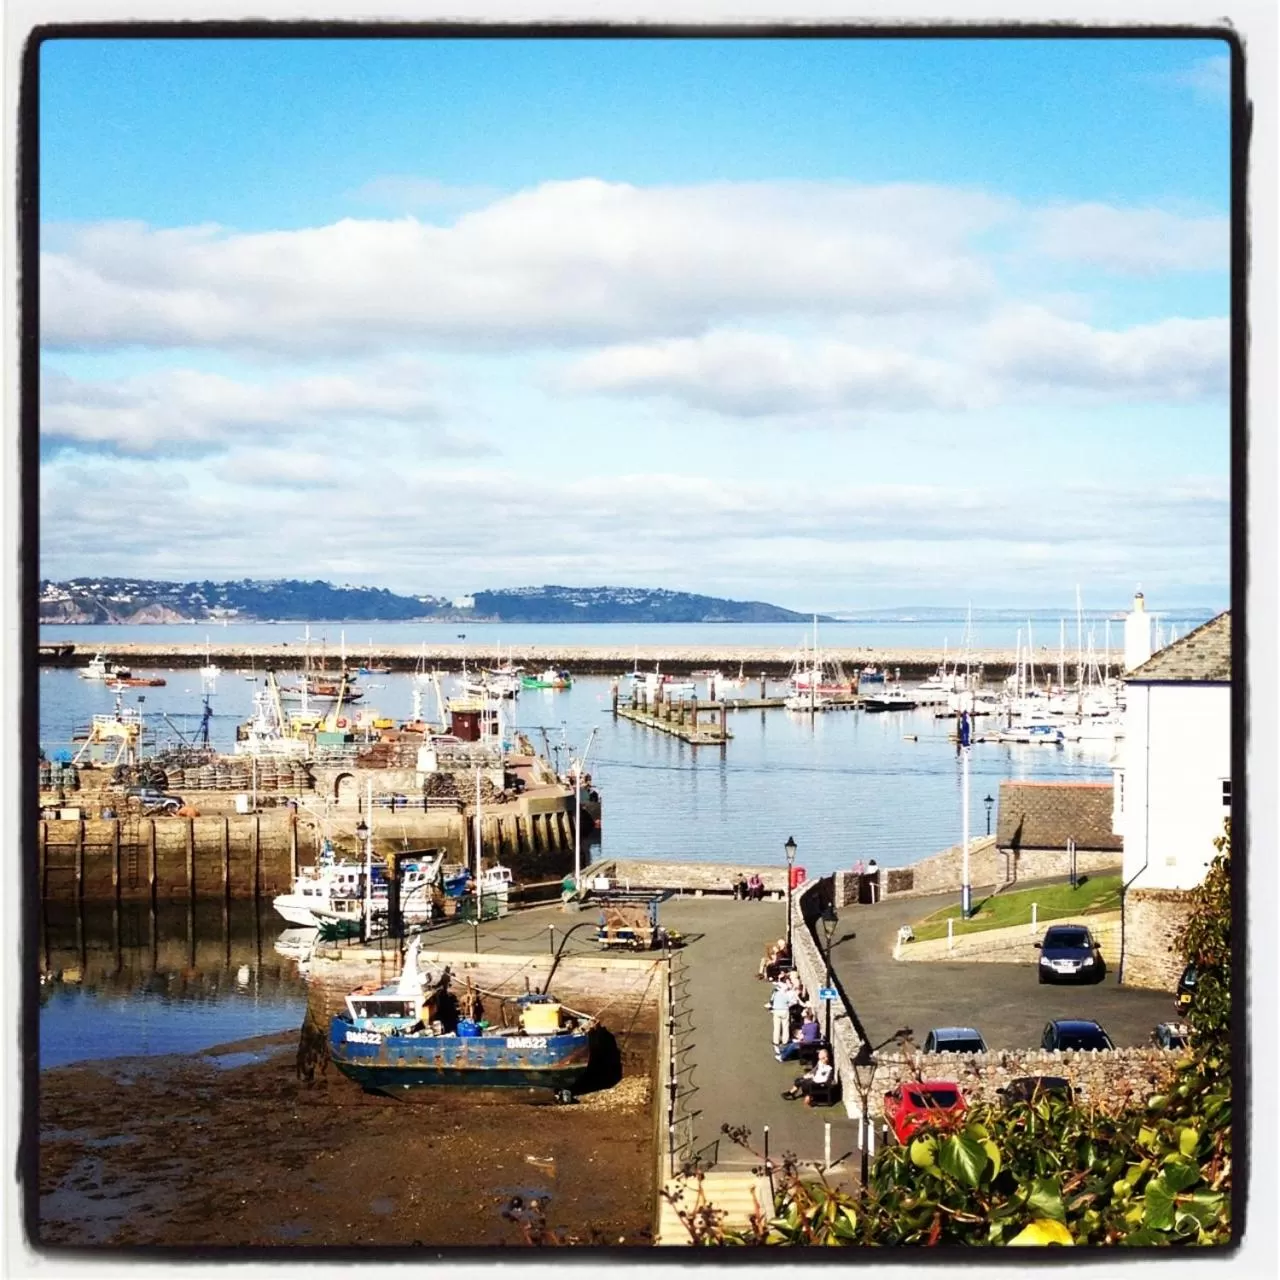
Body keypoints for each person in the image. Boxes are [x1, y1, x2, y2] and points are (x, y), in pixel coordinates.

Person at [768, 980, 797, 1048]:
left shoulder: (776, 994)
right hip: (784, 1010)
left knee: (776, 1026)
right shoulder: (786, 995)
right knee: (785, 1026)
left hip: (777, 1010)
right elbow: (793, 1002)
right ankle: (785, 1041)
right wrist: (788, 1005)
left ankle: (776, 1041)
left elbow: (772, 1000)